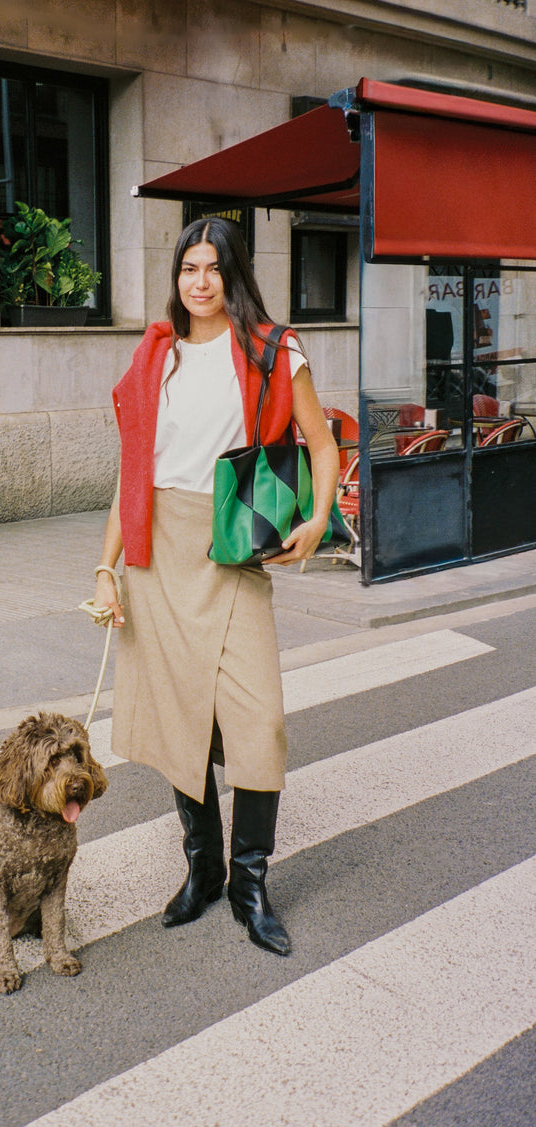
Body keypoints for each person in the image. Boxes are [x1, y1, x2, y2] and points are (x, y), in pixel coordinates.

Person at [93, 216, 340, 957]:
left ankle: (250, 881)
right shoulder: (155, 355)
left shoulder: (272, 349)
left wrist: (318, 517)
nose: (199, 281)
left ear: (235, 273)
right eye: (187, 267)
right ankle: (202, 870)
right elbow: (131, 472)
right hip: (157, 551)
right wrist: (105, 566)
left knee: (257, 718)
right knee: (181, 720)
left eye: (213, 267)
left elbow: (322, 446)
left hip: (229, 542)